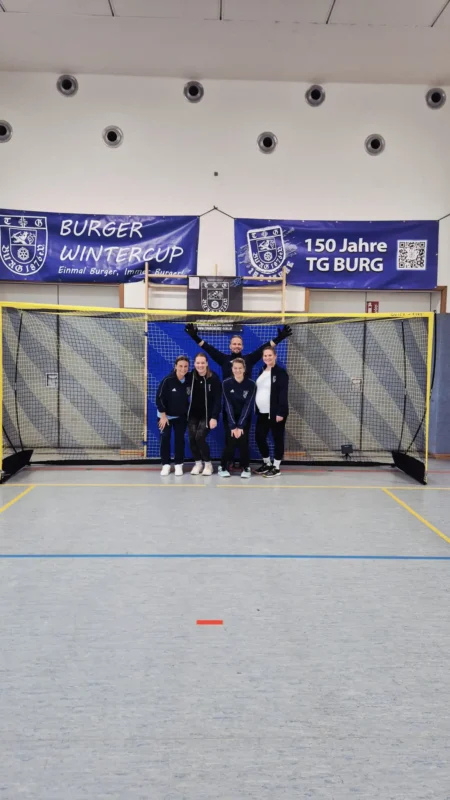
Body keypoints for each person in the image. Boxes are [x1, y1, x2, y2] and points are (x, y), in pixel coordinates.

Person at [184, 322, 292, 380]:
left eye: (239, 344)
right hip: (229, 401)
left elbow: (264, 348)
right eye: (234, 344)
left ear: (242, 347)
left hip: (245, 400)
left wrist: (280, 338)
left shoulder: (249, 359)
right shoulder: (223, 359)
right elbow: (208, 348)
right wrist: (195, 337)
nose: (237, 346)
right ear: (230, 346)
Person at [219, 358, 256, 480]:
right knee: (230, 440)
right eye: (235, 368)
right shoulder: (226, 383)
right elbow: (227, 404)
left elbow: (248, 405)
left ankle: (245, 466)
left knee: (243, 441)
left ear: (244, 369)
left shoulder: (251, 384)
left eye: (240, 368)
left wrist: (240, 425)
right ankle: (223, 466)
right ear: (232, 369)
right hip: (230, 417)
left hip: (244, 418)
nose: (238, 370)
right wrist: (233, 425)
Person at [255, 346, 289, 478]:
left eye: (270, 355)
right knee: (259, 437)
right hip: (262, 413)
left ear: (275, 356)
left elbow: (283, 393)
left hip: (276, 413)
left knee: (277, 438)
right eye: (265, 356)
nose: (267, 358)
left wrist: (281, 412)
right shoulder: (262, 370)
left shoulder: (281, 373)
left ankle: (276, 467)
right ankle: (267, 463)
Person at [187, 353, 222, 475]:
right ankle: (198, 464)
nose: (200, 365)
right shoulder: (191, 376)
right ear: (194, 364)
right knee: (192, 439)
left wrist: (214, 417)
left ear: (207, 363)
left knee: (199, 438)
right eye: (198, 363)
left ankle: (208, 465)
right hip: (192, 415)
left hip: (207, 416)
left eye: (202, 362)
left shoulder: (214, 378)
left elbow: (218, 400)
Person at [156, 355, 190, 476]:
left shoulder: (189, 379)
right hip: (165, 416)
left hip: (181, 416)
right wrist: (163, 416)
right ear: (175, 366)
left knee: (179, 440)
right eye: (180, 366)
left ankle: (178, 464)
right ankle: (165, 464)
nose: (183, 368)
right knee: (165, 438)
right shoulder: (168, 380)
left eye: (185, 366)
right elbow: (159, 398)